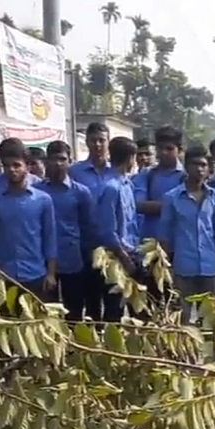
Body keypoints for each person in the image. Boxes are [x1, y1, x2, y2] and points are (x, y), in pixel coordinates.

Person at [0, 144, 58, 299]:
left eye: (17, 165)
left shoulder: (43, 200)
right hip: (4, 277)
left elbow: (50, 238)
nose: (12, 170)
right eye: (7, 166)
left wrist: (51, 273)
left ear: (27, 167)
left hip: (36, 274)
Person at [159, 145, 215, 323]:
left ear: (208, 168)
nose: (199, 169)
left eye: (204, 165)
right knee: (182, 318)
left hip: (209, 267)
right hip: (183, 267)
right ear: (186, 167)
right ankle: (184, 352)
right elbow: (164, 235)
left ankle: (209, 352)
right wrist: (168, 268)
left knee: (210, 320)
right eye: (195, 164)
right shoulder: (172, 198)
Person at [37, 140, 93, 320]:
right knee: (47, 313)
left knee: (74, 310)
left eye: (62, 159)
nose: (58, 163)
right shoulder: (36, 191)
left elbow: (87, 227)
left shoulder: (81, 192)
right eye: (53, 159)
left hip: (72, 260)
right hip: (43, 262)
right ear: (46, 161)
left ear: (70, 161)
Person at [90, 136, 141, 322]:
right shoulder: (111, 187)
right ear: (130, 158)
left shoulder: (127, 184)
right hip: (115, 258)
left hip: (131, 253)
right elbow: (106, 229)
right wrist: (124, 257)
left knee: (136, 306)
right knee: (114, 309)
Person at [134, 125, 186, 243]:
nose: (164, 152)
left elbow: (187, 208)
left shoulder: (186, 176)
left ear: (180, 150)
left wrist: (155, 206)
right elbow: (137, 205)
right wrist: (172, 206)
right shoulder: (147, 175)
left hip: (178, 245)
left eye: (169, 148)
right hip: (150, 244)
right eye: (160, 148)